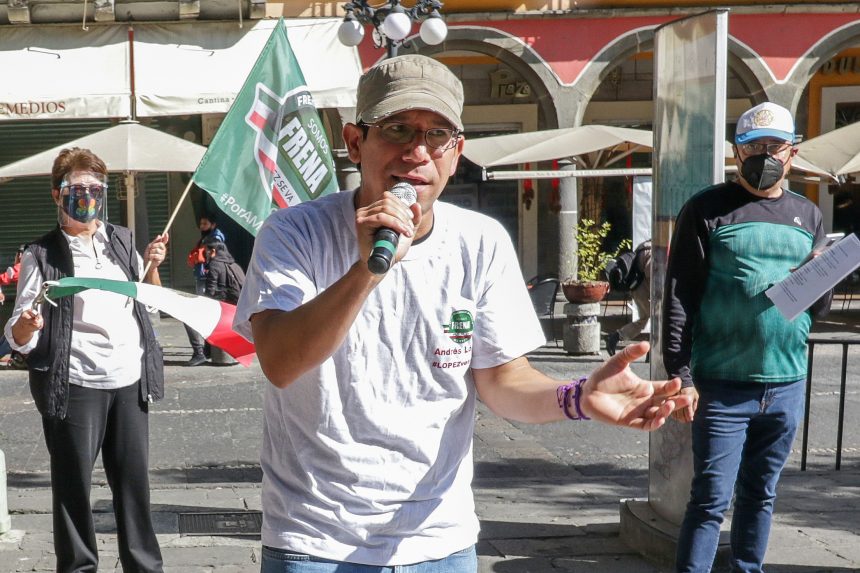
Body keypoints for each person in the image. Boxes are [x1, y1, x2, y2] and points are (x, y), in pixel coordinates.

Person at [234, 54, 692, 572]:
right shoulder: (294, 233)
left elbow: (502, 380)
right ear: (356, 142)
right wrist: (367, 270)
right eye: (398, 129)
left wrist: (578, 397)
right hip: (314, 540)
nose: (417, 151)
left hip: (439, 543)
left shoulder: (480, 240)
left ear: (456, 154)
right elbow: (281, 361)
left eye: (437, 136)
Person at [663, 102, 833, 573]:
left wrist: (824, 279)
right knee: (710, 499)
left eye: (773, 146)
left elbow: (816, 307)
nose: (764, 155)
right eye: (752, 147)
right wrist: (681, 374)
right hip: (720, 384)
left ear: (792, 152)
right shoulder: (705, 209)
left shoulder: (808, 215)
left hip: (786, 383)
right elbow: (680, 295)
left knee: (761, 495)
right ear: (736, 153)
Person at [3, 147, 168, 573]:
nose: (88, 197)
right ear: (58, 194)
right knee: (73, 489)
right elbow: (17, 338)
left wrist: (151, 267)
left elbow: (146, 306)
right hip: (75, 384)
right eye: (77, 189)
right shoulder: (40, 255)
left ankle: (145, 567)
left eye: (96, 189)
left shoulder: (121, 240)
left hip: (129, 381)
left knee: (134, 488)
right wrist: (28, 324)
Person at [184, 213, 225, 366]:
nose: (202, 227)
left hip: (208, 282)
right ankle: (206, 349)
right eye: (201, 223)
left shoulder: (215, 239)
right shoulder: (206, 239)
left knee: (194, 316)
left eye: (205, 224)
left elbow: (207, 259)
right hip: (203, 280)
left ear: (213, 225)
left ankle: (199, 352)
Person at [606, 239, 652, 356]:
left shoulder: (643, 246)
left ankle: (615, 337)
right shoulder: (652, 250)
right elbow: (651, 274)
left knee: (645, 319)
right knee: (658, 318)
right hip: (644, 290)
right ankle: (652, 351)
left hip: (637, 289)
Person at [202, 236, 245, 304]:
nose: (204, 253)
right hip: (239, 302)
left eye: (205, 250)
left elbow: (210, 289)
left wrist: (205, 304)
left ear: (213, 251)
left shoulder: (214, 264)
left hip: (223, 303)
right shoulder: (234, 264)